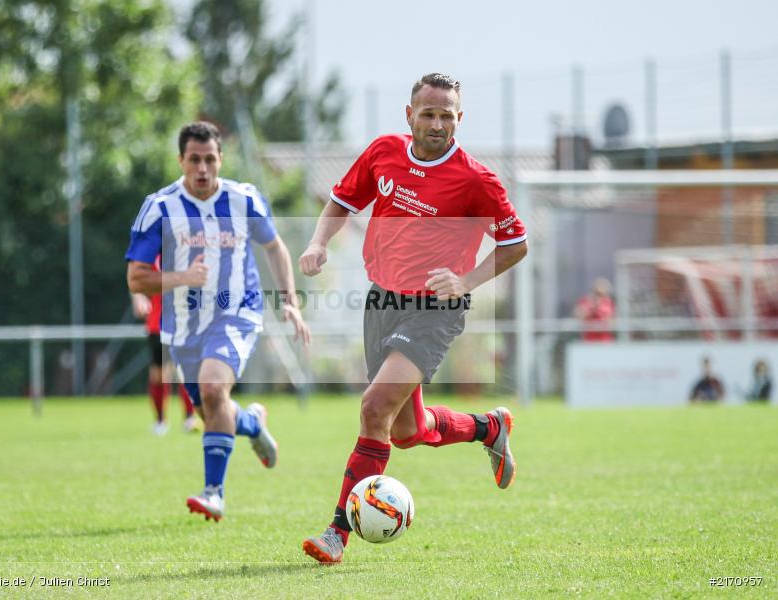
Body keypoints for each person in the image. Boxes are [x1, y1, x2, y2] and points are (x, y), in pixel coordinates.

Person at [298, 73, 528, 564]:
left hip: (434, 311)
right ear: (410, 116)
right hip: (383, 302)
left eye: (448, 115)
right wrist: (319, 242)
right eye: (429, 113)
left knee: (373, 408)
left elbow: (515, 245)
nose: (438, 123)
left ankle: (337, 530)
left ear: (459, 120)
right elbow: (341, 201)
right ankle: (488, 427)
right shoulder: (384, 152)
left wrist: (465, 283)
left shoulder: (476, 179)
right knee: (405, 431)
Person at [125, 121, 310, 522]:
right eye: (195, 160)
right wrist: (182, 278)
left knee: (212, 387)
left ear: (221, 159)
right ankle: (252, 422)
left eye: (210, 159)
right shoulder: (159, 207)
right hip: (184, 326)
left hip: (236, 312)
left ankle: (214, 492)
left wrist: (290, 302)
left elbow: (275, 247)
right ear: (181, 161)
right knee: (213, 410)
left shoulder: (244, 200)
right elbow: (137, 276)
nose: (203, 168)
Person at [131, 259, 199, 435]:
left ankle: (190, 417)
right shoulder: (150, 253)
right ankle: (160, 421)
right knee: (159, 375)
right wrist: (138, 298)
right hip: (157, 323)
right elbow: (135, 278)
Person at [573, 278, 615, 342]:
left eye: (602, 294)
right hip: (589, 339)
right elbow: (579, 316)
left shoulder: (608, 303)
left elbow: (610, 320)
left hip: (604, 339)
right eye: (598, 294)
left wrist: (600, 311)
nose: (600, 297)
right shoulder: (585, 301)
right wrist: (592, 308)